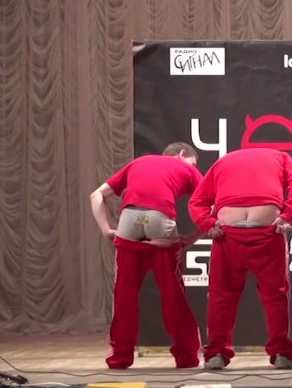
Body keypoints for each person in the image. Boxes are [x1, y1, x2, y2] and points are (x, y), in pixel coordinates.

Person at [188, 147, 292, 370]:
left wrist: (207, 223)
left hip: (228, 234)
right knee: (275, 295)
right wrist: (288, 214)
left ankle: (215, 353)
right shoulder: (281, 157)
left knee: (221, 295)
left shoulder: (224, 161)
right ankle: (282, 353)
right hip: (266, 232)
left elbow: (196, 201)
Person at [89, 142, 207, 370]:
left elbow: (96, 195)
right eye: (193, 164)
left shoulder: (138, 163)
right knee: (173, 294)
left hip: (128, 221)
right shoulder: (187, 169)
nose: (193, 168)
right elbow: (210, 205)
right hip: (160, 220)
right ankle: (187, 357)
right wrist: (193, 237)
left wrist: (106, 229)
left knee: (124, 294)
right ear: (182, 155)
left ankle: (120, 357)